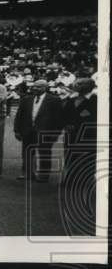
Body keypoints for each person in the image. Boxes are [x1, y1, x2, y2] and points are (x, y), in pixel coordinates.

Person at [60, 77, 97, 234]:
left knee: (85, 157)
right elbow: (64, 112)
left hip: (87, 134)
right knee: (70, 156)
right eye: (77, 83)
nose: (76, 85)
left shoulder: (96, 100)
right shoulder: (71, 98)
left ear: (88, 86)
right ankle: (70, 179)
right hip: (70, 134)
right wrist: (66, 124)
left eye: (80, 84)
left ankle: (84, 181)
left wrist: (78, 122)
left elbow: (92, 117)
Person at [14, 79, 63, 182]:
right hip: (28, 131)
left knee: (44, 153)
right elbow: (19, 116)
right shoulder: (26, 99)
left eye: (38, 87)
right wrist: (17, 130)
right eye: (34, 86)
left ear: (45, 88)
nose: (34, 88)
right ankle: (28, 173)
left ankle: (44, 175)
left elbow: (58, 119)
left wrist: (56, 134)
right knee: (27, 153)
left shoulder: (54, 100)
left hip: (45, 132)